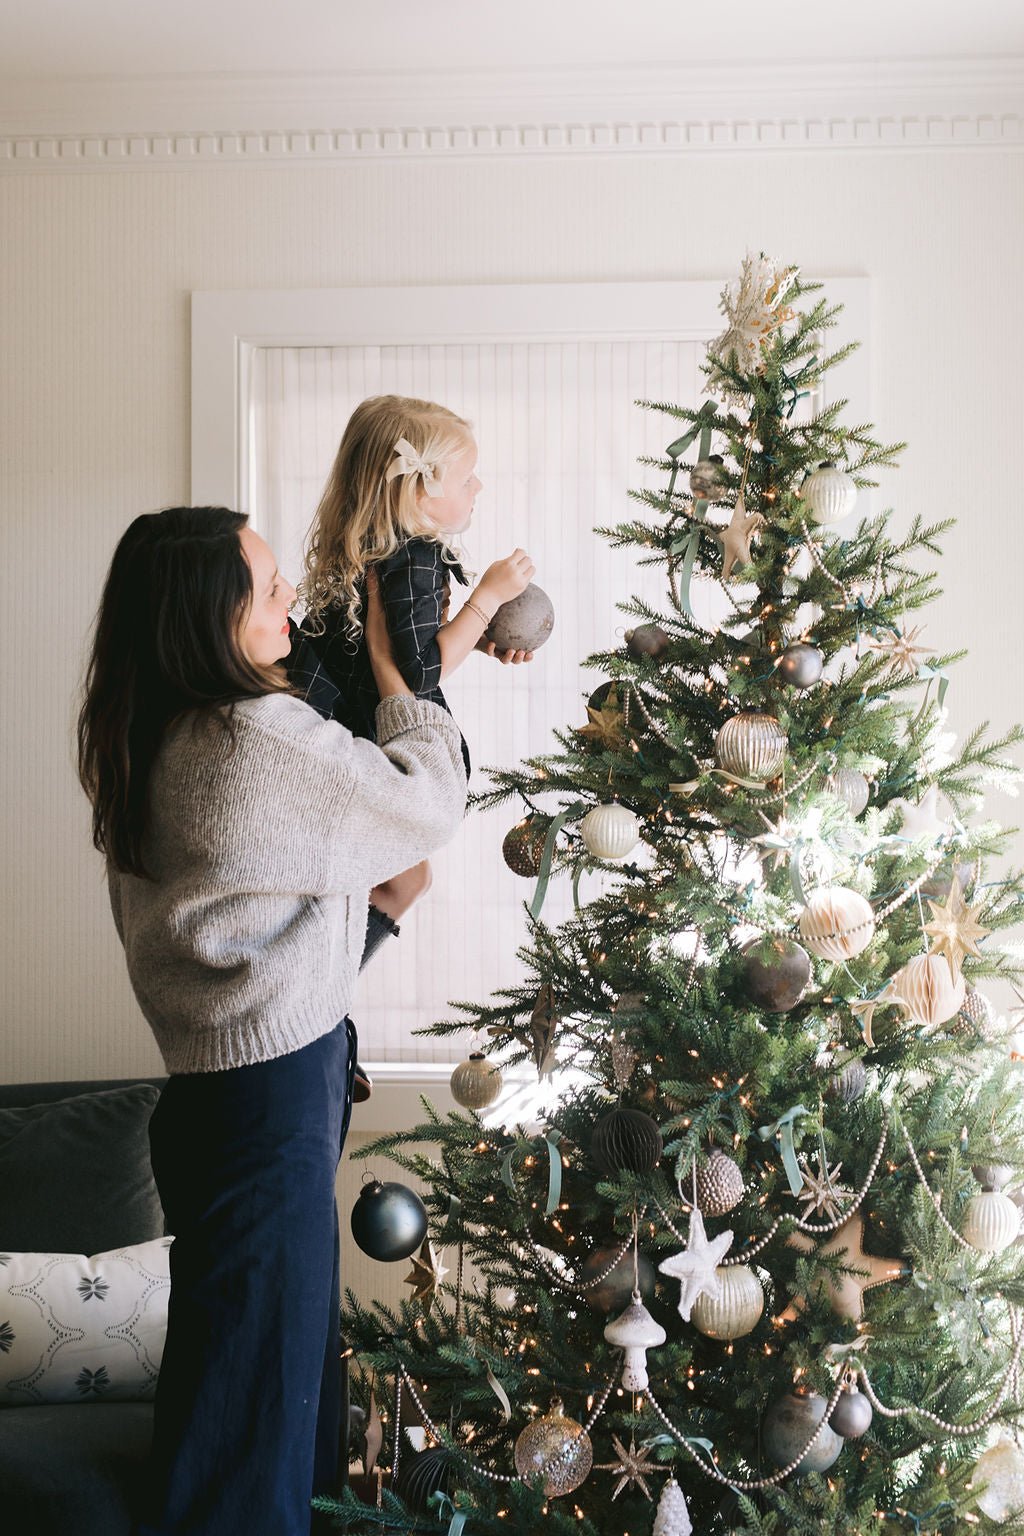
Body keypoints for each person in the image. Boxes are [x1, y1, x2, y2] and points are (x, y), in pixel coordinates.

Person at [76, 505, 467, 1536]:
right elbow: (426, 804)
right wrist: (399, 674)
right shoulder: (251, 739)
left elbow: (232, 939)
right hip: (266, 1110)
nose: (288, 593)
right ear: (212, 616)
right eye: (266, 584)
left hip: (223, 1100)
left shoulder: (161, 734)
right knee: (257, 1424)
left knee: (243, 1394)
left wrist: (369, 921)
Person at [291, 394, 535, 927]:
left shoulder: (371, 547)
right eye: (468, 477)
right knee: (405, 880)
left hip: (338, 724)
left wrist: (472, 638)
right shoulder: (415, 559)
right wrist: (486, 600)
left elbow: (401, 651)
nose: (479, 487)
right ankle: (325, 979)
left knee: (401, 880)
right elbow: (418, 675)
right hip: (371, 739)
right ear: (422, 494)